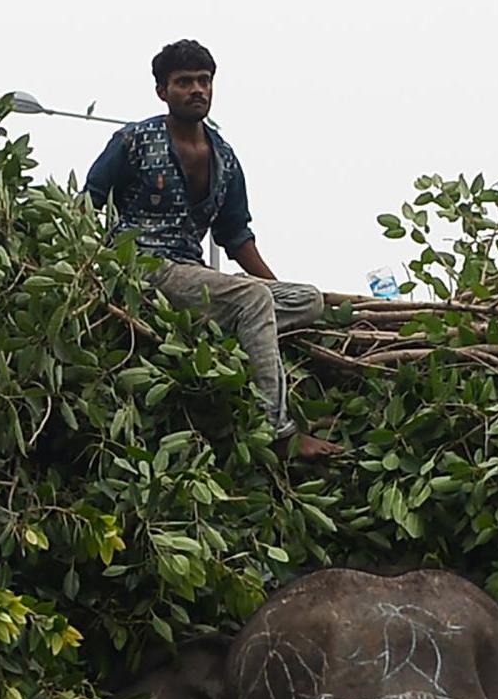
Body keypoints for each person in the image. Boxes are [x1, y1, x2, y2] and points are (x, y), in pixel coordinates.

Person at [83, 40, 342, 459]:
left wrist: (277, 289)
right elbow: (87, 203)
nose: (197, 90)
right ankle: (278, 432)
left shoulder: (224, 157)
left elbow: (235, 235)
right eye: (184, 82)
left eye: (204, 81)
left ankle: (239, 327)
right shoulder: (133, 141)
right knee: (252, 298)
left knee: (307, 300)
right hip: (142, 267)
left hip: (191, 273)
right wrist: (93, 270)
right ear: (162, 91)